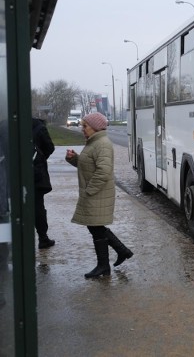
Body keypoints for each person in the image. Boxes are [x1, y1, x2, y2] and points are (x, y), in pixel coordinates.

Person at [65, 112, 133, 278]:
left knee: (95, 227)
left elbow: (103, 171)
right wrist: (75, 159)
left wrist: (89, 190)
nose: (82, 129)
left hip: (97, 193)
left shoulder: (102, 144)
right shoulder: (93, 143)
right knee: (95, 227)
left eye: (85, 126)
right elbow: (89, 166)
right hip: (95, 192)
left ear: (95, 127)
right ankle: (117, 255)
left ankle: (107, 263)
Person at [32, 117, 56, 249]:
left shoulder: (6, 125)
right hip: (36, 174)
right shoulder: (39, 127)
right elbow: (50, 148)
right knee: (38, 207)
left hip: (13, 173)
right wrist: (39, 159)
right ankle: (43, 238)